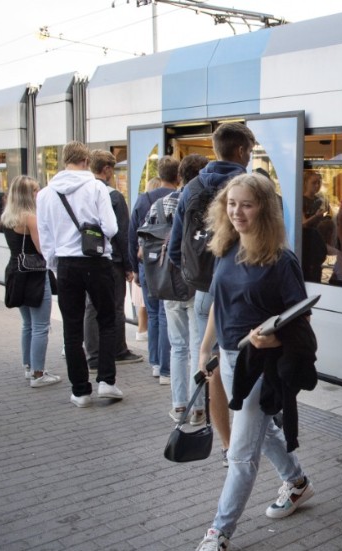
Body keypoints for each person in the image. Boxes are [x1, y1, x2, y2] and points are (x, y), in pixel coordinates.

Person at [193, 173, 316, 551]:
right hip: (230, 360)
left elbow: (302, 320)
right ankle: (297, 483)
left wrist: (274, 338)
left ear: (263, 208)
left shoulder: (281, 261)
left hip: (261, 365)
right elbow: (219, 302)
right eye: (231, 203)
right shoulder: (227, 247)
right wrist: (205, 349)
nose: (237, 212)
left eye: (246, 204)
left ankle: (219, 532)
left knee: (242, 452)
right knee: (259, 429)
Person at [169, 122, 255, 466]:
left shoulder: (190, 187)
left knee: (212, 365)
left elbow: (175, 248)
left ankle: (227, 446)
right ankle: (254, 435)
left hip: (204, 291)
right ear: (242, 151)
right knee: (248, 364)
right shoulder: (250, 187)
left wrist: (198, 278)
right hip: (242, 293)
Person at [36, 141, 124, 407]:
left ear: (64, 161)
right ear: (86, 162)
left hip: (65, 265)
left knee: (72, 329)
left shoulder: (45, 194)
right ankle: (107, 382)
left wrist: (54, 265)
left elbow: (46, 237)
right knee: (107, 320)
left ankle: (80, 391)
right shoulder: (97, 187)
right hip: (97, 263)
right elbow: (110, 227)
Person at [156, 154, 210, 425]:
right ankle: (198, 408)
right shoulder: (204, 201)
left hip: (169, 284)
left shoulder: (161, 202)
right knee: (197, 347)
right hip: (197, 285)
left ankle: (179, 407)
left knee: (177, 347)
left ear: (180, 175)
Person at [83, 150, 143, 371]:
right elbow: (122, 233)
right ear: (107, 169)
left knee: (91, 307)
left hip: (88, 256)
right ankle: (118, 350)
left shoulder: (83, 192)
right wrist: (129, 265)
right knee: (116, 306)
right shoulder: (114, 196)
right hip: (112, 260)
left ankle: (92, 354)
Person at [0, 175, 60, 388]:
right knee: (41, 326)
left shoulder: (8, 217)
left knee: (27, 324)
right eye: (35, 190)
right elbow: (43, 249)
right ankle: (38, 374)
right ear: (28, 194)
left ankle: (28, 367)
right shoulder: (31, 218)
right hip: (34, 274)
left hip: (15, 271)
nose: (39, 193)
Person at [132, 165, 178, 383]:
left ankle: (155, 363)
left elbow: (132, 233)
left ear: (159, 175)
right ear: (177, 177)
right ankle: (166, 370)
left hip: (147, 265)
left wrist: (133, 268)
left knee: (152, 315)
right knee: (164, 314)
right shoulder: (179, 198)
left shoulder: (144, 199)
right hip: (168, 266)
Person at [300, 170, 329, 282]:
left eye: (318, 182)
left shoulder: (320, 199)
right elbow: (303, 224)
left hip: (319, 241)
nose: (317, 186)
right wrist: (316, 217)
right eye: (314, 183)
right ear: (305, 183)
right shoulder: (301, 200)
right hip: (306, 242)